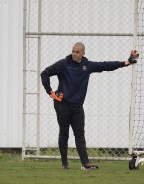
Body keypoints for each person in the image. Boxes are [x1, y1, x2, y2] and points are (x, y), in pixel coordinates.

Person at [40, 42, 139, 170]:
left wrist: (126, 62)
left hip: (77, 107)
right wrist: (51, 93)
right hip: (62, 105)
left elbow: (105, 65)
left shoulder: (88, 65)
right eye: (73, 51)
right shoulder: (63, 64)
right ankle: (65, 163)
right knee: (64, 134)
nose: (74, 54)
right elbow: (45, 73)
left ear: (83, 53)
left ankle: (85, 163)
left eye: (77, 52)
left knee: (80, 135)